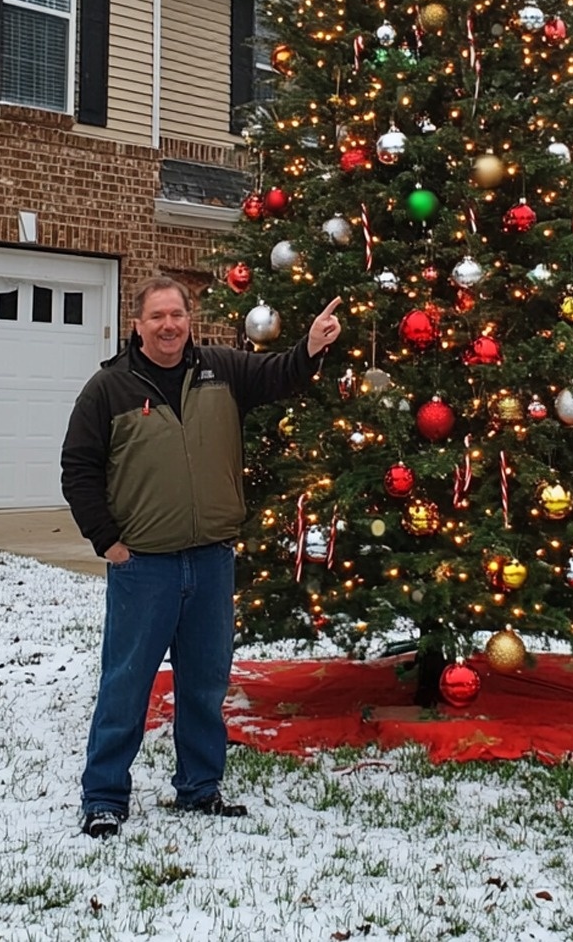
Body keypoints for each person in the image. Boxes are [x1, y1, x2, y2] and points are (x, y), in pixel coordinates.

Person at [61, 274, 342, 839]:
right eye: (157, 316)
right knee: (126, 684)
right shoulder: (109, 388)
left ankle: (199, 788)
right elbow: (79, 469)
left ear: (191, 319)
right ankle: (105, 797)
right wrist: (108, 541)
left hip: (211, 561)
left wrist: (310, 347)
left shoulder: (221, 369)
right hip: (144, 566)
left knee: (204, 684)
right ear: (136, 324)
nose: (169, 325)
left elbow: (279, 374)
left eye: (178, 315)